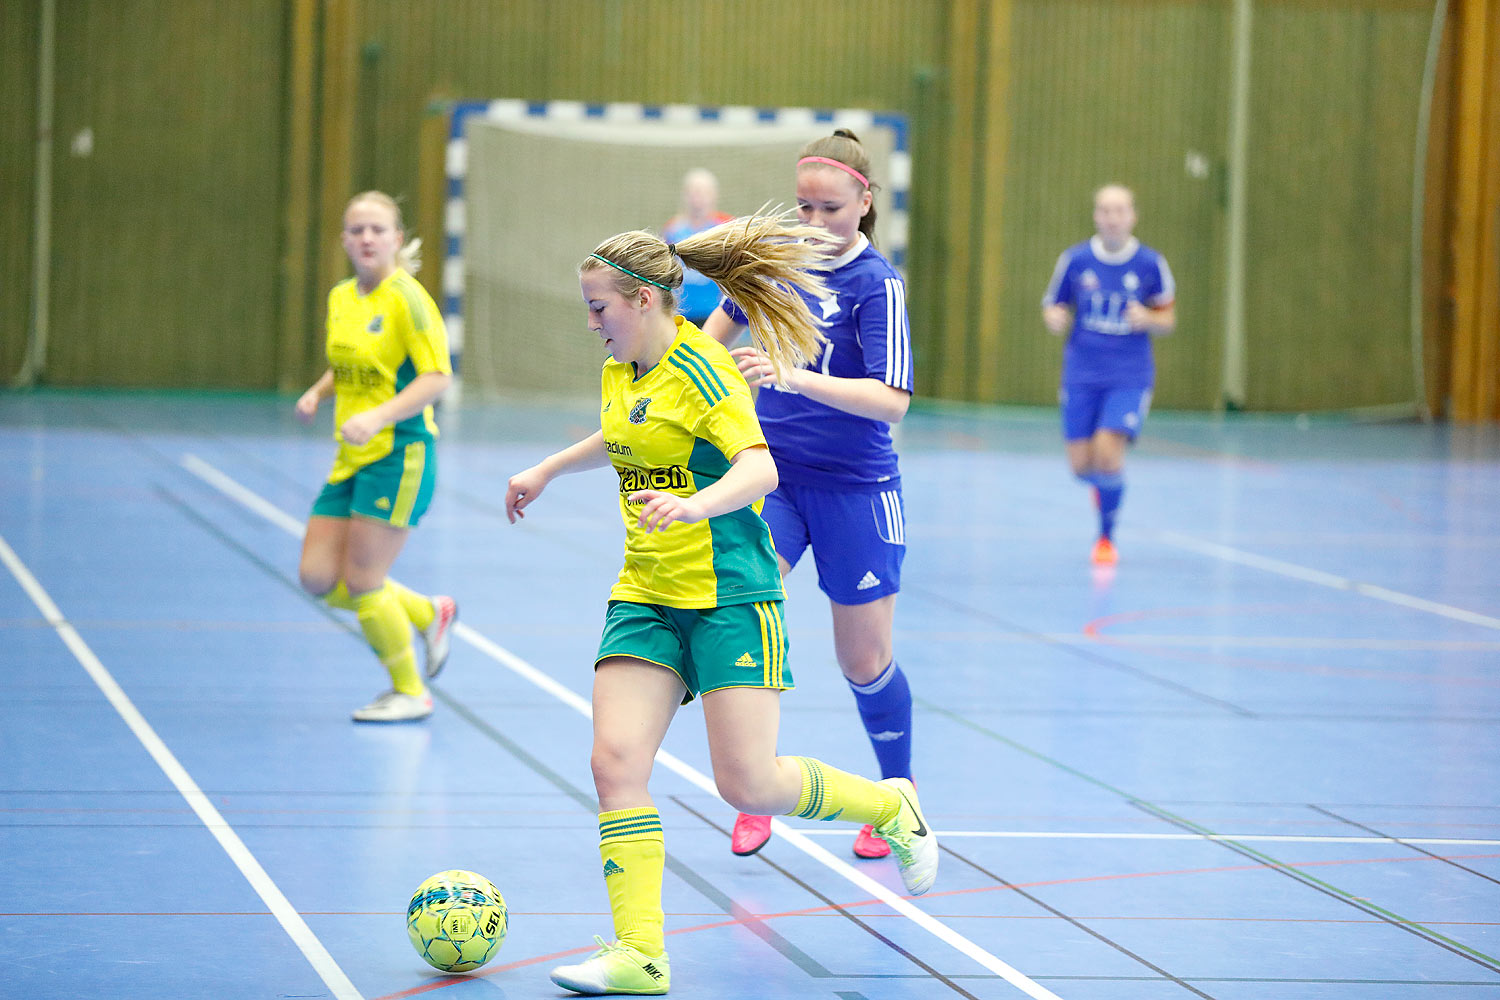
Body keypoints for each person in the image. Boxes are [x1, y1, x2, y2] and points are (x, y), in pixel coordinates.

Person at [505, 211, 936, 996]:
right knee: (614, 764)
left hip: (729, 595)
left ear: (641, 299)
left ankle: (889, 808)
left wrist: (697, 508)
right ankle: (639, 954)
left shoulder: (706, 368)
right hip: (646, 594)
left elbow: (760, 470)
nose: (591, 322)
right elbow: (624, 434)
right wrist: (548, 469)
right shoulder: (620, 368)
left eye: (599, 307)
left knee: (750, 785)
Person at [703, 129, 915, 862]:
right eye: (803, 208)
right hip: (775, 478)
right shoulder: (770, 267)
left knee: (863, 660)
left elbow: (891, 401)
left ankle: (897, 796)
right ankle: (759, 786)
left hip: (856, 488)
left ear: (864, 202)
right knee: (746, 610)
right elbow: (710, 340)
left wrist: (793, 376)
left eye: (830, 208)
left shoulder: (876, 284)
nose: (815, 223)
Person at [295, 191, 459, 722]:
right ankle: (426, 612)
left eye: (377, 229)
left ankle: (411, 691)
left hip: (400, 454)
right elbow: (351, 363)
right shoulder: (342, 296)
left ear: (396, 237)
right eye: (356, 229)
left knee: (363, 581)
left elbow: (436, 377)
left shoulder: (409, 300)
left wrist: (377, 417)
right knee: (320, 578)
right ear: (344, 239)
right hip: (352, 456)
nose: (366, 238)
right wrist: (320, 391)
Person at [1041, 183, 1176, 566]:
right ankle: (1104, 485)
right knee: (1082, 466)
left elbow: (1168, 319)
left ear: (1132, 216)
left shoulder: (1150, 264)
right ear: (1096, 216)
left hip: (1129, 376)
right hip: (1082, 375)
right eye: (1105, 210)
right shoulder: (1076, 260)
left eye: (1120, 211)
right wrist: (1054, 317)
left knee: (1107, 454)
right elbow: (1054, 304)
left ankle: (1105, 538)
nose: (1112, 218)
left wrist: (1148, 318)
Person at [660, 168, 733, 326]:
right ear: (685, 196)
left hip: (716, 313)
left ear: (714, 196)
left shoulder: (725, 227)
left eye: (704, 193)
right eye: (694, 192)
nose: (698, 199)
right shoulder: (673, 229)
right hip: (683, 313)